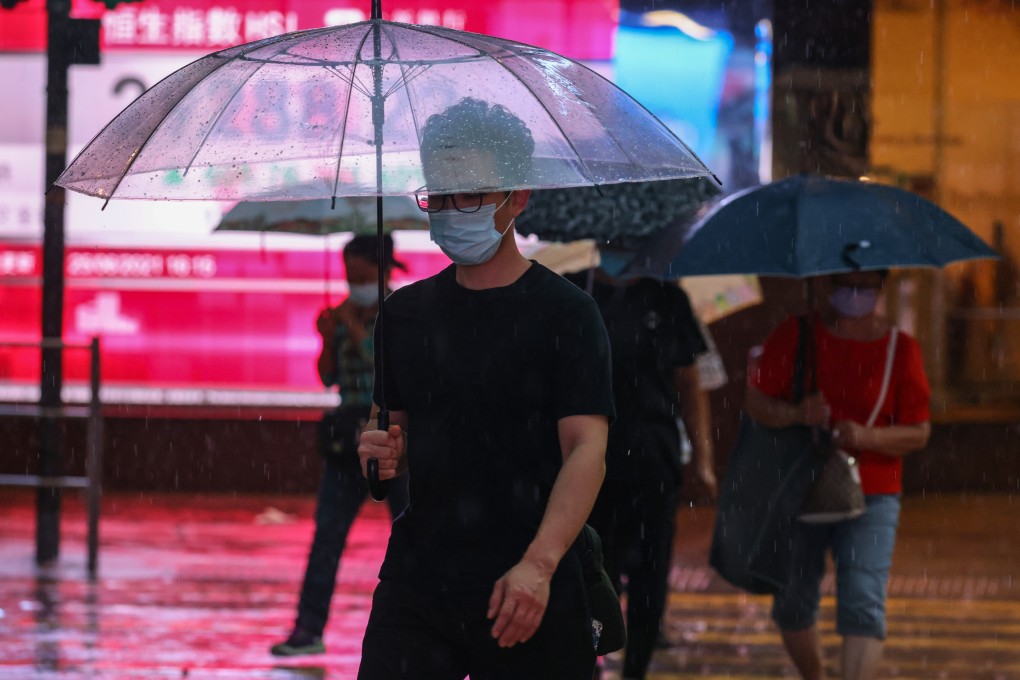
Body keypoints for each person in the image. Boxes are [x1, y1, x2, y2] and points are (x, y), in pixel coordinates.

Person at [356, 97, 615, 680]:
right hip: (421, 578)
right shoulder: (405, 314)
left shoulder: (566, 314)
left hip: (529, 579)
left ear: (516, 196)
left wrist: (539, 566)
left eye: (469, 193)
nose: (450, 210)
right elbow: (386, 428)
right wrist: (375, 450)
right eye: (438, 195)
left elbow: (586, 450)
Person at [744, 269, 931, 680]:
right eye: (846, 285)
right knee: (792, 600)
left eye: (866, 287)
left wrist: (866, 435)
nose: (855, 295)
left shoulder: (901, 348)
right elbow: (757, 401)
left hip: (874, 491)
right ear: (828, 286)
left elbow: (918, 431)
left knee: (863, 600)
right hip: (800, 484)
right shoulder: (797, 336)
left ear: (881, 288)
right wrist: (795, 413)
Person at [567, 267, 718, 680]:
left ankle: (636, 670)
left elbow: (689, 384)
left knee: (651, 575)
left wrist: (702, 459)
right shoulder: (574, 292)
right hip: (586, 464)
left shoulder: (667, 299)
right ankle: (592, 666)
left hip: (654, 460)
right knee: (594, 572)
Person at [270, 234, 410, 657]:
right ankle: (308, 629)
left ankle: (414, 629)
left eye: (363, 276)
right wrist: (329, 339)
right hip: (345, 440)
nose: (355, 284)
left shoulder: (400, 313)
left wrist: (354, 329)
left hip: (393, 439)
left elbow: (389, 373)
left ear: (382, 271)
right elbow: (329, 378)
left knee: (411, 535)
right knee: (327, 536)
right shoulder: (338, 314)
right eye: (350, 276)